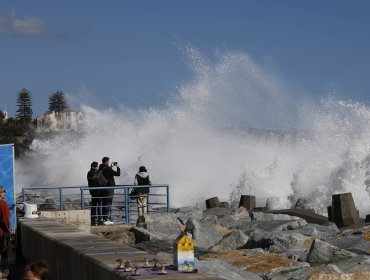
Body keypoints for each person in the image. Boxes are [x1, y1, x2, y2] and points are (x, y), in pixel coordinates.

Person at [99, 157, 120, 225]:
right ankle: (106, 219)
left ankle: (102, 218)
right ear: (107, 161)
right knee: (108, 203)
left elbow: (106, 172)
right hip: (109, 188)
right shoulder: (108, 169)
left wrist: (110, 166)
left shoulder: (100, 168)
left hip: (102, 188)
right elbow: (118, 174)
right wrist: (118, 167)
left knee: (103, 203)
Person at [0, 186, 11, 278]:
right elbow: (5, 219)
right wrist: (8, 229)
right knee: (3, 252)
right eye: (3, 192)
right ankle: (4, 272)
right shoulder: (3, 204)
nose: (4, 193)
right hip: (1, 232)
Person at [87, 161, 102, 226]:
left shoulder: (90, 172)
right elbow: (95, 178)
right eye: (97, 166)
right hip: (96, 192)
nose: (98, 167)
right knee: (97, 206)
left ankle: (94, 221)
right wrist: (99, 172)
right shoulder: (91, 173)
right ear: (95, 166)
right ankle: (98, 221)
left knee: (95, 206)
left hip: (94, 192)